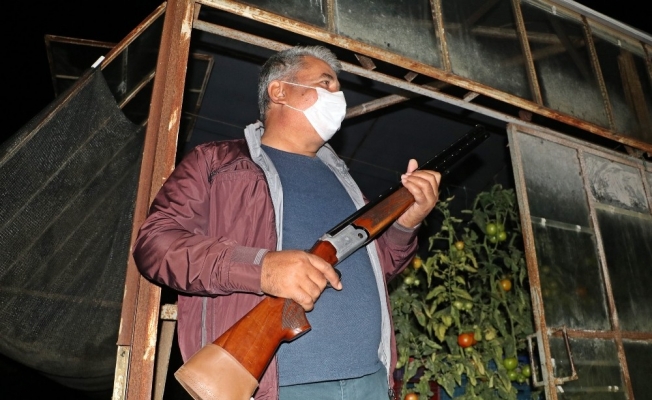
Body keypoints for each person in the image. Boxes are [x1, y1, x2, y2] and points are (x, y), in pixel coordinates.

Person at [133, 45, 441, 400]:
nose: (337, 96)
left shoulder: (346, 182)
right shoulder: (217, 163)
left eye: (338, 88)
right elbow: (155, 245)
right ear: (279, 91)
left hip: (370, 381)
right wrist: (260, 267)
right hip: (284, 389)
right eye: (325, 83)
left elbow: (376, 268)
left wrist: (406, 224)